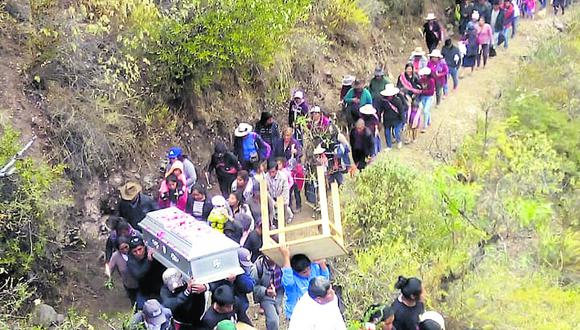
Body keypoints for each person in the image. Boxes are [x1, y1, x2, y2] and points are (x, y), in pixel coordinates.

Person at [279, 245, 330, 319]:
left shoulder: (313, 267)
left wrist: (322, 263)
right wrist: (286, 257)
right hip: (298, 315)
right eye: (304, 272)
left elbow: (325, 279)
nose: (308, 273)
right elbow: (288, 282)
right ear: (296, 272)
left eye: (309, 269)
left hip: (316, 312)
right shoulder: (292, 278)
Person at [126, 236, 166, 309]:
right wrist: (148, 260)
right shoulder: (131, 261)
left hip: (160, 288)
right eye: (135, 251)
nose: (138, 253)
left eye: (140, 249)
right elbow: (139, 274)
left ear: (144, 247)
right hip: (146, 292)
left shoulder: (151, 251)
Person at [251, 254, 284, 330]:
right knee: (273, 320)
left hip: (279, 292)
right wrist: (266, 291)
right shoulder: (257, 267)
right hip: (266, 296)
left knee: (277, 312)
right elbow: (253, 288)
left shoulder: (283, 261)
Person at [107, 236, 139, 308]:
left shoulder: (135, 251)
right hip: (128, 284)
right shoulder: (116, 256)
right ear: (118, 250)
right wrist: (109, 278)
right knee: (134, 302)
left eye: (126, 247)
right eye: (122, 249)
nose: (125, 250)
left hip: (140, 282)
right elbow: (110, 268)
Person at [377, 84, 404, 150]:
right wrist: (379, 119)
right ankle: (389, 146)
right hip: (387, 120)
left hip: (396, 119)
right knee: (387, 133)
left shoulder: (397, 100)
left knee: (396, 131)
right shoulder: (383, 101)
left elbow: (401, 110)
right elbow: (380, 110)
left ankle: (399, 141)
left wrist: (402, 119)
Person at [418, 67, 435, 133]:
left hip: (429, 97)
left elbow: (431, 92)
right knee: (426, 109)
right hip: (423, 97)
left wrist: (422, 91)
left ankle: (424, 126)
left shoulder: (431, 81)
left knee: (425, 111)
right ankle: (429, 120)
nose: (422, 76)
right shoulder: (421, 80)